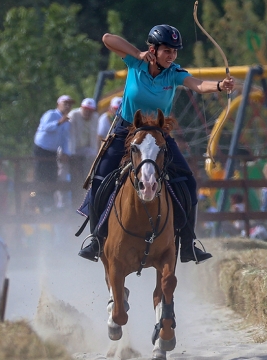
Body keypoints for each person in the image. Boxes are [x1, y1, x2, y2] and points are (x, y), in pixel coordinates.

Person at [77, 24, 234, 263]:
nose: (172, 55)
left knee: (189, 182)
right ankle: (97, 239)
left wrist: (220, 86)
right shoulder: (135, 63)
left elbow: (198, 85)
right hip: (126, 131)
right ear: (154, 49)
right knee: (100, 178)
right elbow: (107, 38)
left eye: (175, 51)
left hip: (159, 135)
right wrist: (137, 53)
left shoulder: (175, 73)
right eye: (167, 50)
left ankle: (188, 243)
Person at [33, 95, 73, 211]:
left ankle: (49, 204)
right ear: (58, 104)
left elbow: (65, 139)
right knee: (41, 175)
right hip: (41, 148)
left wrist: (66, 152)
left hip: (52, 151)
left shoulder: (66, 122)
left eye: (69, 104)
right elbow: (46, 128)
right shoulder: (51, 114)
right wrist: (59, 122)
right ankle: (40, 203)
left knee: (52, 175)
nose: (67, 106)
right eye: (65, 103)